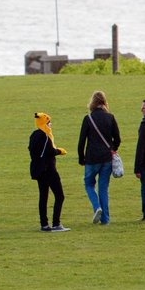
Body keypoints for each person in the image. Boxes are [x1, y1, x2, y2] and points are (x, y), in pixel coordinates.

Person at [77, 90, 121, 225]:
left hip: (91, 158)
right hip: (107, 158)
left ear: (92, 103)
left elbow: (81, 141)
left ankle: (97, 207)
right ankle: (105, 220)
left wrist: (81, 157)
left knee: (89, 184)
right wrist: (112, 149)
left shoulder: (88, 118)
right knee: (103, 188)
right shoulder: (110, 117)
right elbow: (118, 138)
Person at [29, 112, 70, 232]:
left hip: (38, 170)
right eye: (48, 122)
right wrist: (60, 151)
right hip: (49, 170)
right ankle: (56, 223)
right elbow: (50, 151)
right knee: (60, 196)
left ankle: (44, 224)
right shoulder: (45, 136)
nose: (50, 125)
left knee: (43, 196)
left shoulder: (34, 135)